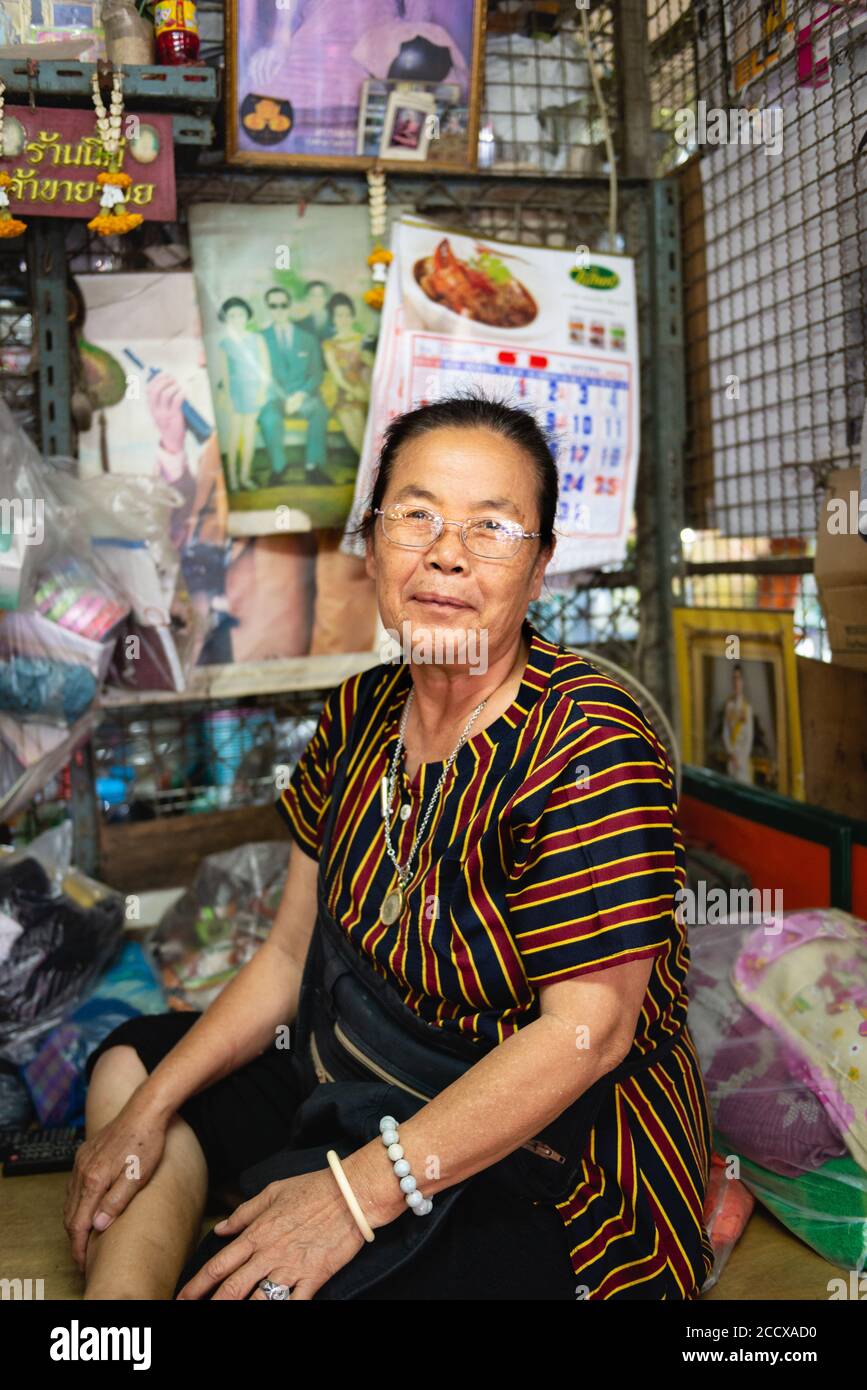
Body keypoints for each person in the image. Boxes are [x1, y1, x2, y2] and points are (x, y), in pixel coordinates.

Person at [69, 394, 714, 1301]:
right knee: (134, 1070)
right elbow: (291, 950)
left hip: (543, 1151)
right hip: (359, 1077)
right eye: (415, 515)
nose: (446, 552)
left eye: (492, 527)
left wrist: (350, 1198)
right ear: (373, 544)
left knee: (292, 1286)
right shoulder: (359, 712)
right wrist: (147, 1113)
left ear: (538, 571)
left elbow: (587, 1033)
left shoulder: (586, 741)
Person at [256, 286, 330, 486]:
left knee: (319, 411)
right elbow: (260, 375)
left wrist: (301, 395)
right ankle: (278, 467)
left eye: (283, 305)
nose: (279, 309)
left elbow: (316, 374)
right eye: (273, 305)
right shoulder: (260, 338)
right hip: (275, 398)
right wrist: (281, 397)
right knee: (268, 419)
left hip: (303, 396)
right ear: (268, 308)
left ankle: (313, 467)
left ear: (289, 307)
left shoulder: (307, 338)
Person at [216, 296, 269, 491]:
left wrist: (262, 391)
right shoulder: (225, 344)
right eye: (232, 315)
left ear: (247, 316)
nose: (237, 318)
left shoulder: (257, 339)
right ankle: (232, 478)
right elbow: (225, 375)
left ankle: (245, 476)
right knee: (234, 436)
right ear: (226, 319)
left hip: (254, 391)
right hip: (236, 393)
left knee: (249, 436)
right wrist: (228, 397)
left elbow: (265, 368)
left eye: (240, 314)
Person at [321, 292, 373, 455]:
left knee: (363, 425)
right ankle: (370, 472)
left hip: (368, 392)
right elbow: (337, 377)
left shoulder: (363, 340)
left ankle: (373, 473)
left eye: (347, 315)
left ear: (352, 316)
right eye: (339, 315)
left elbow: (374, 368)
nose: (343, 319)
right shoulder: (329, 345)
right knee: (352, 420)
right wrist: (354, 391)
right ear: (333, 318)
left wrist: (366, 391)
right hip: (343, 393)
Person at [722, 662, 754, 784]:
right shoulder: (728, 706)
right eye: (734, 678)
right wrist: (731, 754)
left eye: (739, 678)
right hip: (731, 759)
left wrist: (739, 759)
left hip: (743, 762)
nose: (736, 682)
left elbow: (749, 738)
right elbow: (725, 733)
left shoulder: (747, 709)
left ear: (743, 682)